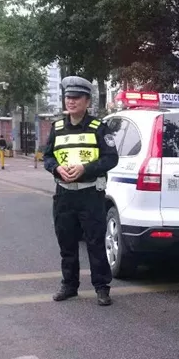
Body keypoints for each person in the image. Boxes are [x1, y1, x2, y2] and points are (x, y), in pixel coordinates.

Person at [43, 75, 118, 306]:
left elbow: (111, 158)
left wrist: (85, 169)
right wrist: (56, 169)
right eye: (68, 97)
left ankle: (102, 287)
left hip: (90, 194)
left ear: (87, 101)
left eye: (76, 97)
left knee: (95, 243)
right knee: (66, 242)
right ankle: (69, 285)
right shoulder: (57, 128)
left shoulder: (99, 128)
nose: (71, 101)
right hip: (64, 194)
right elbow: (47, 157)